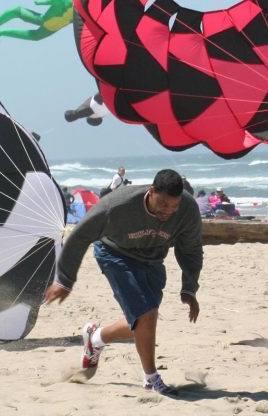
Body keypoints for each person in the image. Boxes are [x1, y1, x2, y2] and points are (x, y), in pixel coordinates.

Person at [45, 169, 202, 397]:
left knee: (143, 321)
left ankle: (95, 338)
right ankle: (151, 379)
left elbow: (191, 249)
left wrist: (189, 287)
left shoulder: (187, 209)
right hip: (114, 254)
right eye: (163, 204)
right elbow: (80, 235)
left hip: (152, 260)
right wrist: (65, 280)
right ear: (151, 192)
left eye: (173, 206)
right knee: (145, 315)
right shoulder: (118, 205)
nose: (168, 211)